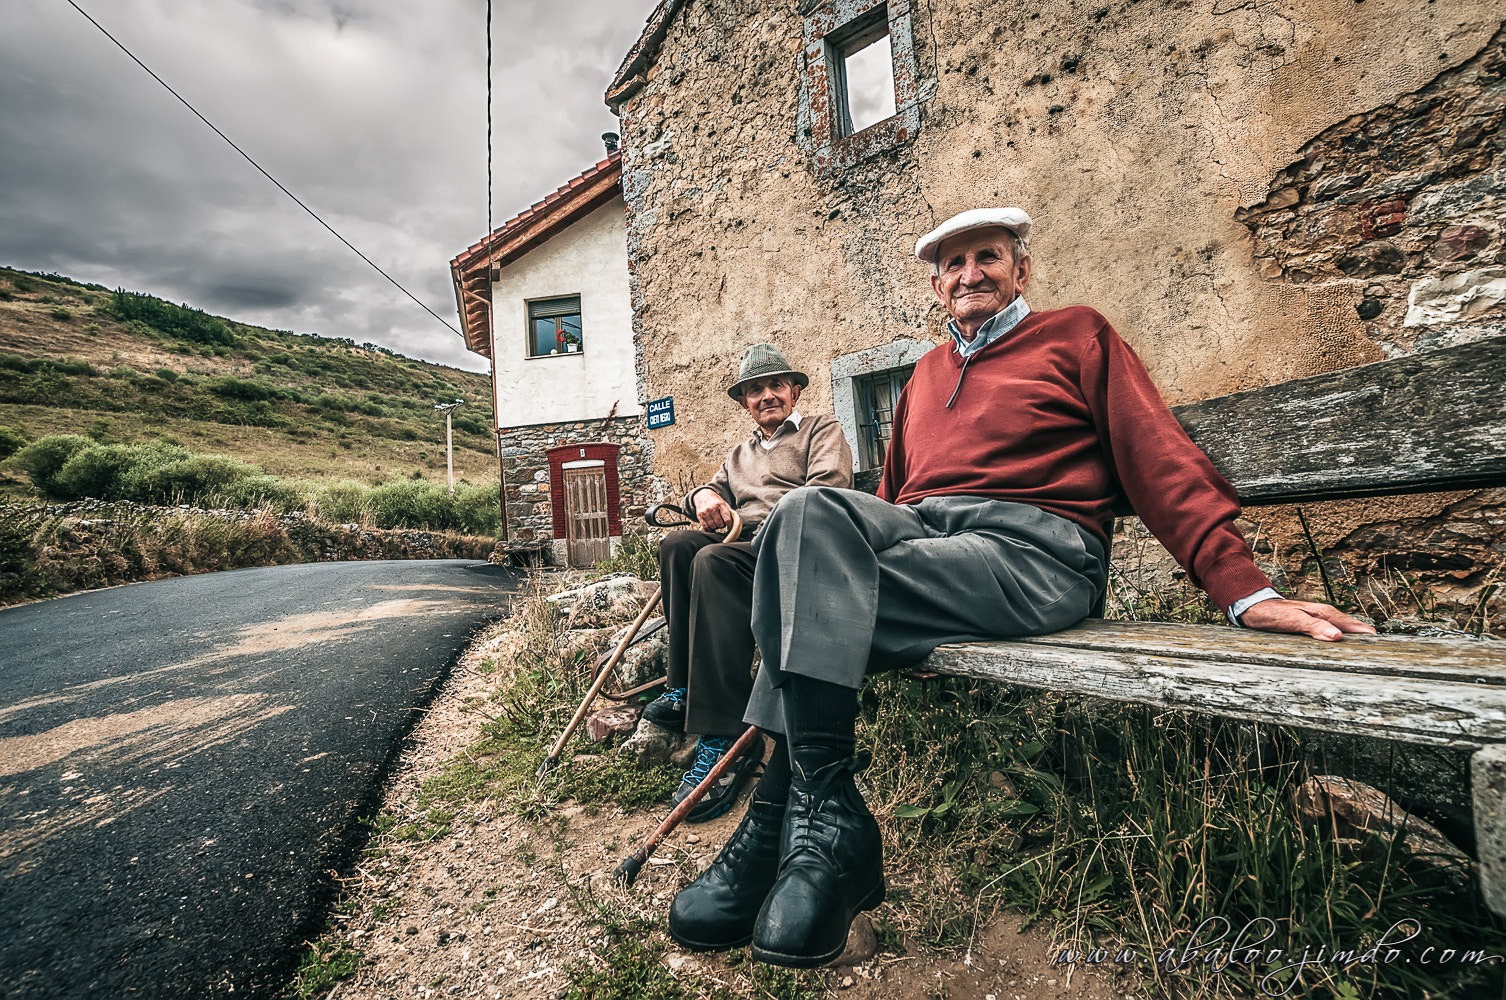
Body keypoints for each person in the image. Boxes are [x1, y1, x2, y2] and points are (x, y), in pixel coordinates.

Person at [666, 207, 1375, 967]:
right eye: (954, 265)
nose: (971, 274)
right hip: (933, 547)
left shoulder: (1078, 336)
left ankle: (779, 813)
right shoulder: (925, 377)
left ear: (1020, 270)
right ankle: (822, 819)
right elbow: (897, 502)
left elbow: (1158, 457)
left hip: (1032, 552)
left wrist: (1242, 588)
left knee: (805, 581)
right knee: (804, 518)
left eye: (988, 257)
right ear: (936, 286)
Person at [642, 342, 853, 823]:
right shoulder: (740, 453)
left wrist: (758, 521)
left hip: (796, 548)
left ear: (794, 391)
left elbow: (829, 493)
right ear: (745, 402)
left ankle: (723, 738)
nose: (767, 396)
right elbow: (712, 488)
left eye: (777, 385)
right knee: (678, 546)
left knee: (713, 562)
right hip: (744, 545)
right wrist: (702, 498)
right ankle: (685, 688)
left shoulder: (821, 428)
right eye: (756, 390)